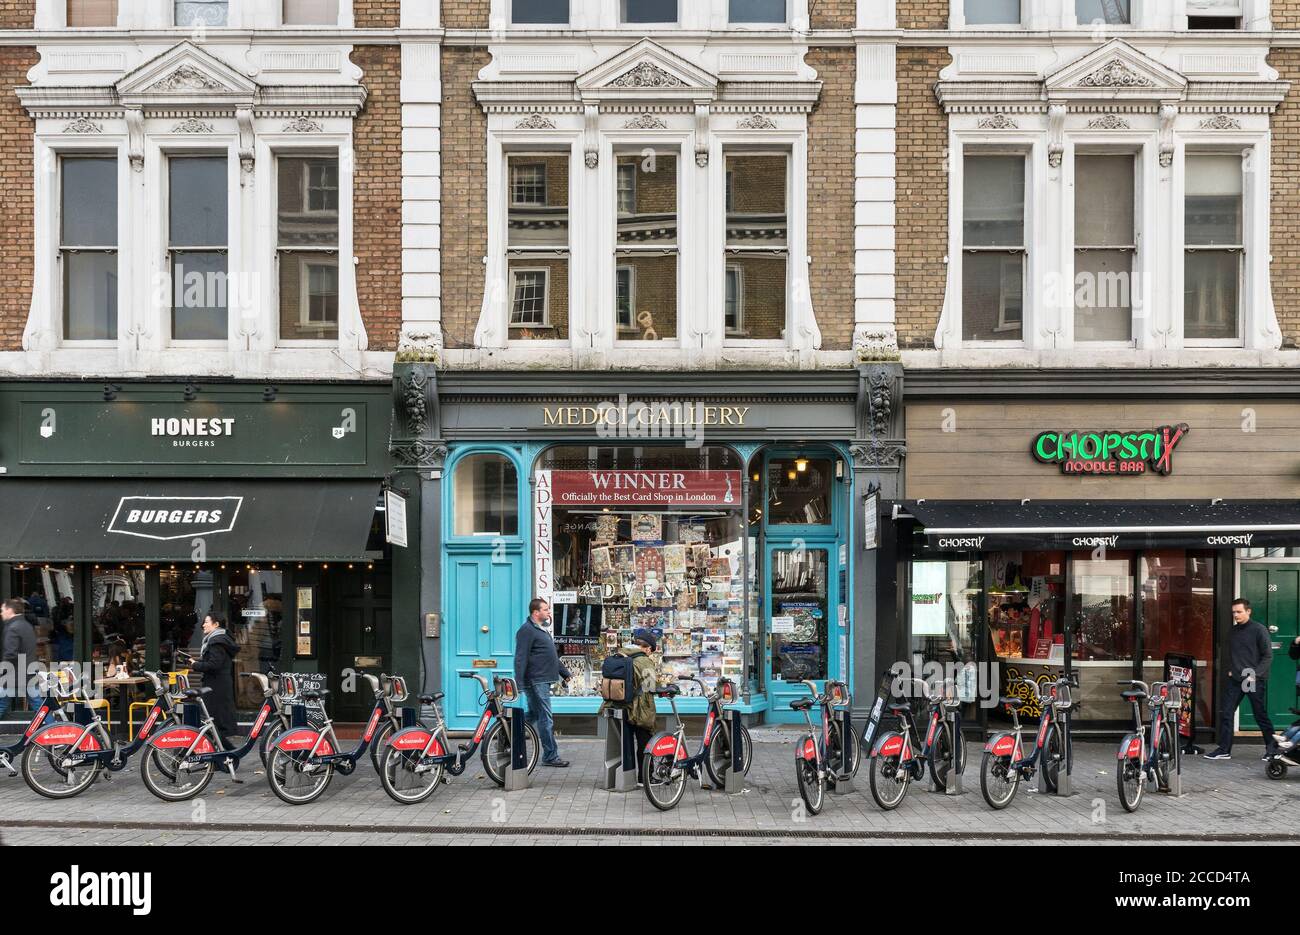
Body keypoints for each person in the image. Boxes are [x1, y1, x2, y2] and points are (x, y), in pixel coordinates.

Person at [1205, 598, 1276, 761]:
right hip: (1236, 679)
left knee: (1259, 715)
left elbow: (1268, 656)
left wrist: (1254, 674)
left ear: (1248, 611)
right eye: (1234, 612)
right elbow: (1234, 653)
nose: (1236, 615)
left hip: (1252, 679)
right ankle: (1224, 750)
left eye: (1239, 612)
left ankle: (1273, 749)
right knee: (1227, 713)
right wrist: (1232, 669)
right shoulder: (1233, 631)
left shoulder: (1259, 630)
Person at [514, 598, 571, 767]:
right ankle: (550, 756)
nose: (548, 612)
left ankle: (506, 733)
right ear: (535, 612)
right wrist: (519, 682)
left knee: (533, 714)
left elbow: (550, 655)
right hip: (536, 680)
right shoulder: (526, 630)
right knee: (545, 718)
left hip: (542, 680)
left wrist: (564, 673)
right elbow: (520, 658)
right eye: (545, 609)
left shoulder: (540, 629)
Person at [599, 629, 659, 777]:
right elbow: (650, 687)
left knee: (624, 743)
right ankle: (645, 777)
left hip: (617, 706)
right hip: (639, 709)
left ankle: (621, 777)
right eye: (651, 651)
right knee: (645, 743)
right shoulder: (644, 661)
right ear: (648, 648)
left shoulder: (620, 654)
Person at [188, 611, 241, 747]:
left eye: (206, 622)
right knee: (214, 722)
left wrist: (195, 665)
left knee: (214, 721)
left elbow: (214, 665)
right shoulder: (219, 639)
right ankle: (226, 752)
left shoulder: (216, 641)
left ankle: (227, 752)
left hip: (216, 686)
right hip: (218, 684)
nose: (203, 625)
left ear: (216, 624)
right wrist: (197, 663)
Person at [0, 598, 40, 719]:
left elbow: (11, 654)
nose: (1, 613)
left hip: (14, 676)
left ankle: (55, 728)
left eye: (2, 610)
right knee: (39, 707)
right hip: (28, 674)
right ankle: (55, 728)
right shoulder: (27, 625)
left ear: (10, 610)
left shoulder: (13, 627)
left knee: (1, 704)